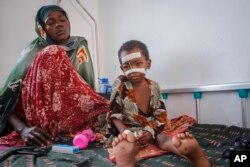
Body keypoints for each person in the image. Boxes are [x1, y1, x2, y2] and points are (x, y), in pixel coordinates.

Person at [0, 5, 109, 147]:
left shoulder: (79, 45)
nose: (59, 25)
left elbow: (85, 90)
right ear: (42, 29)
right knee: (53, 51)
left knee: (111, 111)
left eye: (63, 20)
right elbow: (6, 101)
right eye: (50, 22)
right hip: (35, 118)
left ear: (69, 23)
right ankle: (49, 128)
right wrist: (23, 130)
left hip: (65, 113)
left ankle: (66, 129)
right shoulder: (34, 52)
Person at [106, 40, 210, 167]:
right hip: (127, 131)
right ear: (122, 68)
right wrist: (127, 134)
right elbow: (114, 113)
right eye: (127, 66)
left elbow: (160, 115)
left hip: (151, 129)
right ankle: (126, 160)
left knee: (164, 139)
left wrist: (149, 132)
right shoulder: (120, 83)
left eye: (138, 63)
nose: (132, 70)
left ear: (148, 64)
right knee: (127, 145)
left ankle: (193, 154)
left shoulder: (154, 86)